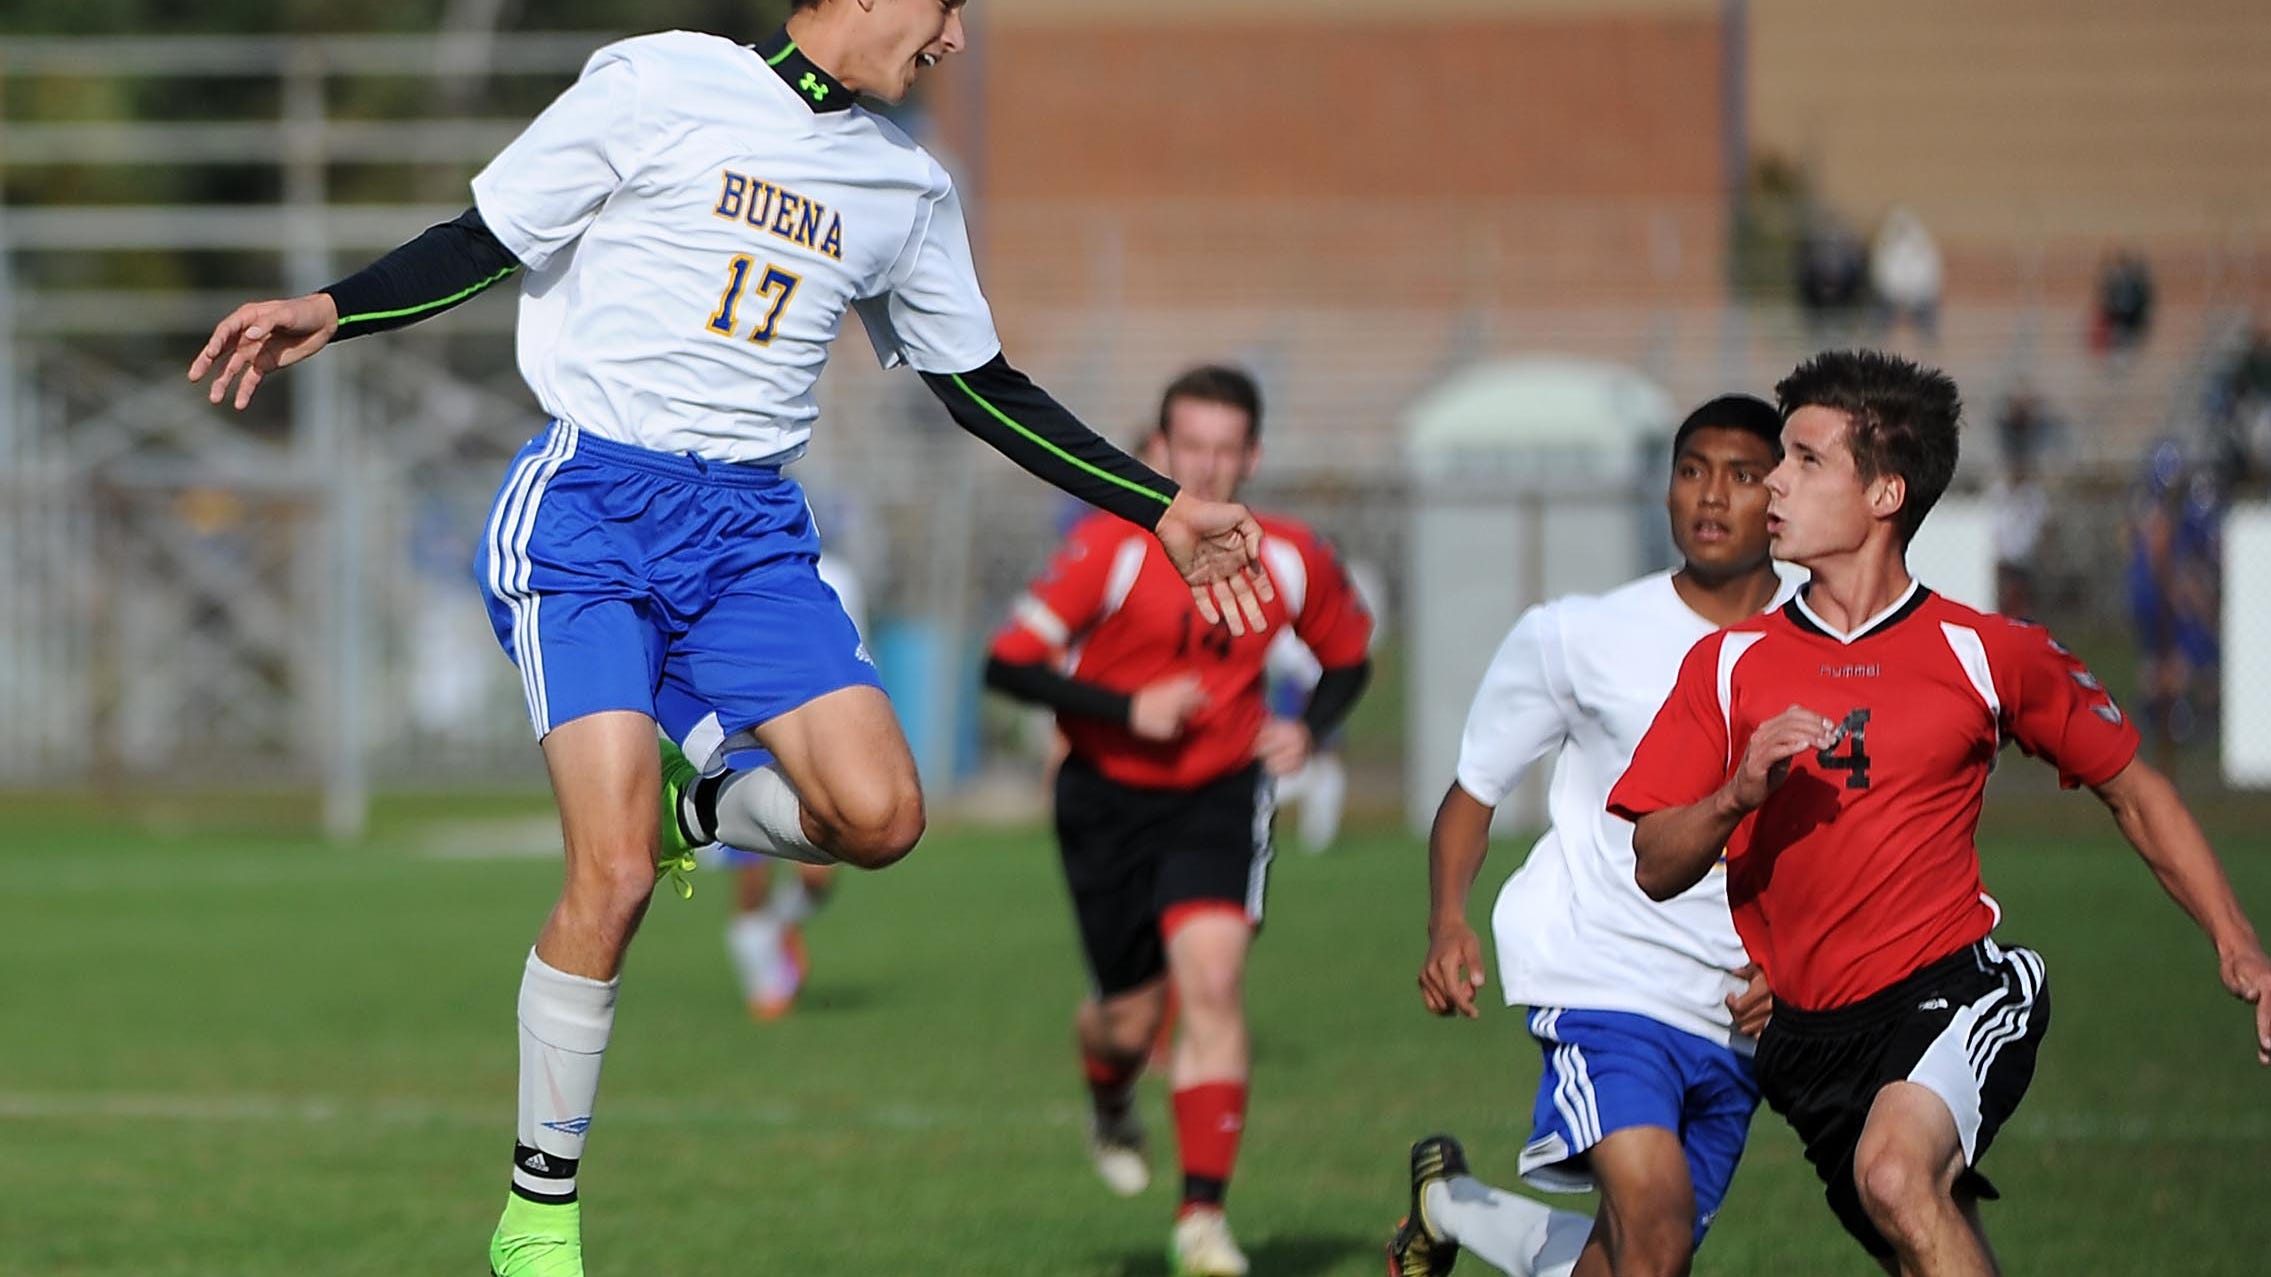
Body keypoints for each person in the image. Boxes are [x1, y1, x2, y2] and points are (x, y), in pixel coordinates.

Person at [187, 5, 1271, 1274]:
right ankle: (538, 1214)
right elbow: (489, 236)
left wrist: (1160, 506)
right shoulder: (658, 79)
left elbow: (976, 383)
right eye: (943, 7)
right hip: (589, 514)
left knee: (880, 816)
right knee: (611, 879)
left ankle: (692, 813)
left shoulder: (908, 183)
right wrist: (336, 307)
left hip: (750, 539)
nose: (958, 37)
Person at [1609, 350, 2271, 1276]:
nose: (1772, 483)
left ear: (1884, 494)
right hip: (1802, 1042)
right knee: (1924, 1238)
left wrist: (2238, 945)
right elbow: (1650, 859)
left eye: (1803, 459)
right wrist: (1733, 796)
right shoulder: (1726, 665)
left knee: (1893, 1173)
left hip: (1953, 992)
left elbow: (2134, 788)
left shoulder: (1985, 651)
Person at [980, 365, 1374, 1276]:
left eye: (1225, 449)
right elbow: (1006, 667)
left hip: (1219, 793)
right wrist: (1127, 709)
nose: (1205, 467)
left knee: (1211, 979)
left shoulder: (1289, 556)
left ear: (1253, 456)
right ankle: (1110, 1092)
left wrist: (1305, 731)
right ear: (1157, 450)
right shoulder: (1110, 547)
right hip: (1105, 796)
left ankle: (1201, 1217)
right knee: (1125, 1019)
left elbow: (1347, 658)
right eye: (1188, 446)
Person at [1388, 395, 1790, 1277]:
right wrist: (1446, 919)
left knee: (1639, 1255)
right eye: (1691, 472)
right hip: (1603, 980)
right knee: (1653, 1217)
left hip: (1736, 1014)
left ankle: (1448, 1204)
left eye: (1742, 475)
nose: (1712, 496)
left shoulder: (1821, 649)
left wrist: (1801, 966)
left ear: (1783, 494)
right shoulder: (1580, 635)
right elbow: (1474, 789)